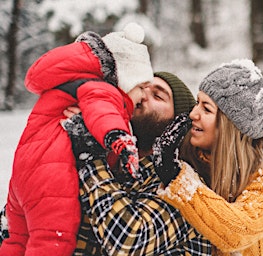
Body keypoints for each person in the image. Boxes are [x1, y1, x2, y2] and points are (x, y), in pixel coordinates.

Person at [0, 22, 154, 255]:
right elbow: (103, 113)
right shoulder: (103, 90)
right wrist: (119, 138)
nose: (143, 95)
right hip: (53, 175)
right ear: (126, 77)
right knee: (51, 241)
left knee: (16, 240)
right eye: (142, 86)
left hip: (24, 174)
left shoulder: (70, 85)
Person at [157, 59, 263, 255]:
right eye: (197, 102)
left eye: (206, 109)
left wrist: (179, 181)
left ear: (230, 127)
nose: (193, 113)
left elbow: (239, 231)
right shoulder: (188, 151)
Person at [68, 72, 211, 255]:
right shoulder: (114, 166)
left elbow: (128, 240)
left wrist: (90, 157)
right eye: (141, 87)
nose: (142, 96)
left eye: (157, 96)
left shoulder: (184, 184)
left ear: (176, 127)